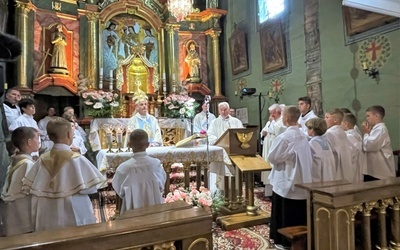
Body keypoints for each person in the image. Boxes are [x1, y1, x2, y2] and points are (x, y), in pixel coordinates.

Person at [22, 117, 105, 231]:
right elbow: (90, 189)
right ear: (69, 135)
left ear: (50, 137)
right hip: (73, 208)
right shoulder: (77, 159)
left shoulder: (41, 159)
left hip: (47, 212)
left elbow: (30, 186)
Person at [267, 106, 312, 249]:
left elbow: (272, 157)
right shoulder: (303, 135)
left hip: (286, 180)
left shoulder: (284, 137)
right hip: (302, 179)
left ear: (286, 118)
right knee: (298, 213)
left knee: (285, 212)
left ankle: (283, 241)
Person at [112, 129, 166, 214]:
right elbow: (162, 185)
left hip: (132, 213)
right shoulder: (156, 164)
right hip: (155, 210)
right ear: (148, 145)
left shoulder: (123, 168)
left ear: (129, 144)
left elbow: (119, 189)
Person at [0, 127, 39, 236]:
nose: (39, 141)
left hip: (12, 208)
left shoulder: (15, 160)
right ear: (29, 142)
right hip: (22, 210)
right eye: (37, 138)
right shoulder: (27, 164)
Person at [361, 105, 395, 181]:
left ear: (376, 116)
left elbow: (370, 146)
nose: (367, 119)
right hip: (373, 169)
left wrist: (366, 133)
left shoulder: (381, 129)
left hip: (380, 171)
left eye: (368, 116)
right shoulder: (375, 129)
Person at [323, 108, 355, 182]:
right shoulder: (343, 133)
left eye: (327, 117)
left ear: (335, 120)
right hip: (345, 167)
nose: (324, 120)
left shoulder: (329, 134)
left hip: (334, 168)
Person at [260, 104, 286, 196]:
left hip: (274, 147)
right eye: (270, 113)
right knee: (267, 167)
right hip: (267, 147)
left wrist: (272, 123)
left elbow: (279, 131)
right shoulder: (270, 121)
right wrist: (263, 134)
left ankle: (274, 192)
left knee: (273, 168)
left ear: (278, 112)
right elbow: (264, 131)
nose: (271, 115)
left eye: (273, 113)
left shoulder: (282, 121)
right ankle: (268, 192)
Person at [306, 118, 336, 182]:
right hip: (329, 175)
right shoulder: (326, 142)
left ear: (312, 129)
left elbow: (308, 160)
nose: (307, 130)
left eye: (308, 128)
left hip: (318, 176)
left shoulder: (312, 143)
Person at [341, 113, 364, 183]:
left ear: (346, 124)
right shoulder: (357, 135)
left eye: (340, 122)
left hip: (352, 167)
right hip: (358, 166)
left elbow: (349, 154)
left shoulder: (349, 137)